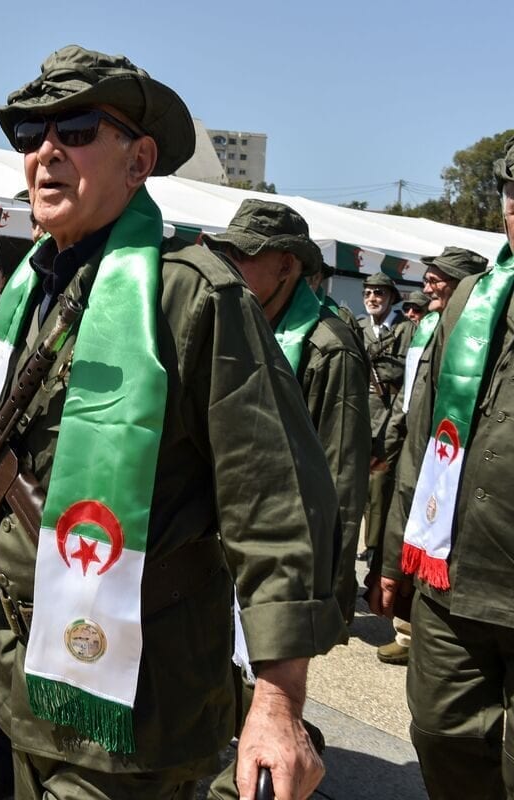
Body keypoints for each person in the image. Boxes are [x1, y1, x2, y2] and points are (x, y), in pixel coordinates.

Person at [0, 46, 341, 800]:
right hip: (26, 680)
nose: (47, 151)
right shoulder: (41, 288)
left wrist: (279, 702)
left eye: (79, 127)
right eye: (32, 135)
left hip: (140, 699)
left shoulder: (190, 297)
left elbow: (275, 502)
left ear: (139, 159)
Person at [201, 200, 370, 798]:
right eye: (230, 252)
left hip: (288, 544)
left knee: (264, 672)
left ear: (288, 267)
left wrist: (326, 588)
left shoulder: (329, 346)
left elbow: (341, 476)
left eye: (249, 255)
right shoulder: (236, 324)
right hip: (229, 537)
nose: (234, 264)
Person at [372, 139, 514, 799]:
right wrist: (397, 555)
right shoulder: (470, 305)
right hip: (454, 581)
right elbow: (426, 440)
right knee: (439, 733)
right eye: (512, 192)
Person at [368, 246, 489, 667]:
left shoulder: (478, 336)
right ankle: (411, 627)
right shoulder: (428, 329)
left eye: (441, 277)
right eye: (430, 276)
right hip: (417, 442)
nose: (428, 284)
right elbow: (412, 395)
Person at [357, 272, 412, 561]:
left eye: (379, 293)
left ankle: (375, 544)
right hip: (361, 412)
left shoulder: (406, 330)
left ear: (391, 298)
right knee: (358, 482)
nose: (372, 299)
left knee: (379, 482)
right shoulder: (358, 325)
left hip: (390, 411)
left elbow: (406, 373)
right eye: (368, 293)